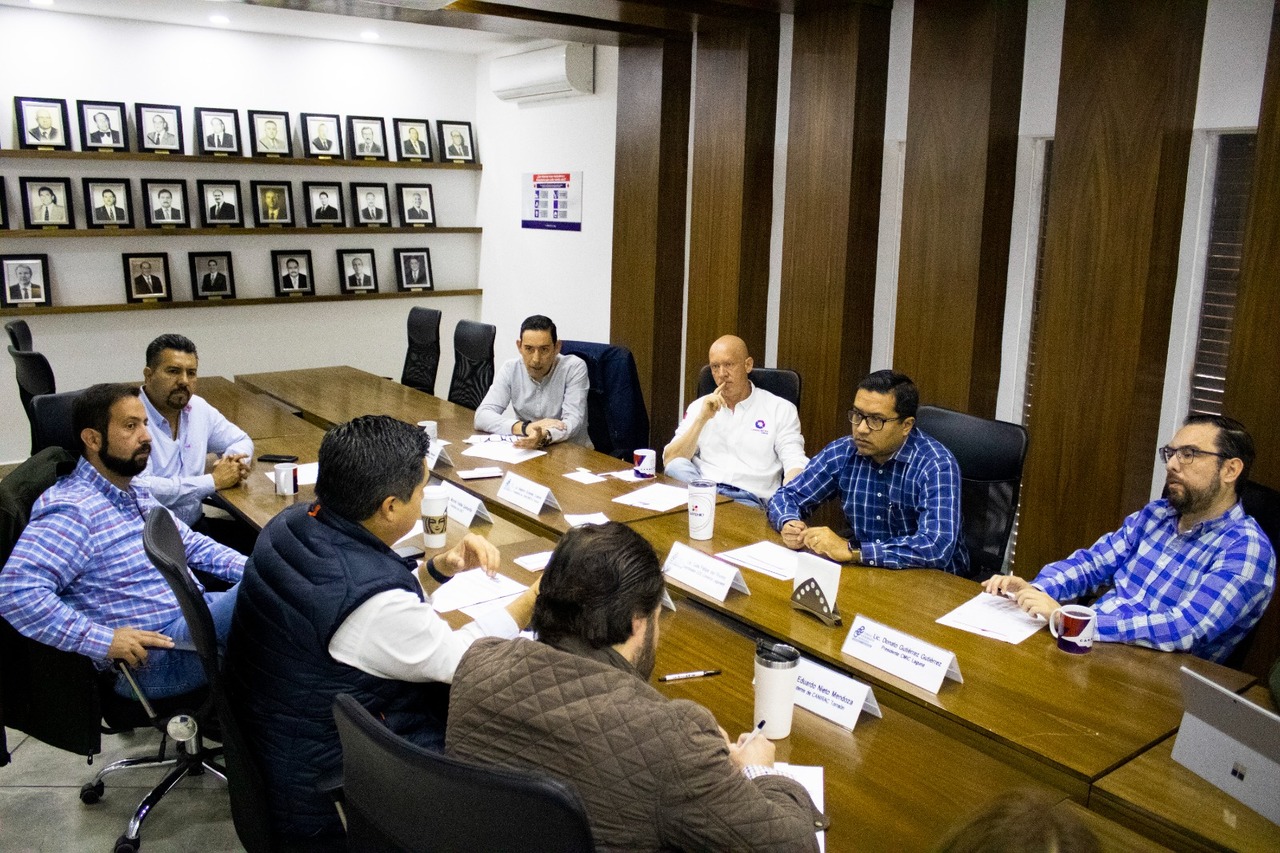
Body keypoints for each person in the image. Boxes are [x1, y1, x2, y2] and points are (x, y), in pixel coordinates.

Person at [228, 415, 541, 844]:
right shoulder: (372, 605)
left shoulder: (295, 522)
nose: (425, 496)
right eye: (422, 489)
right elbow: (465, 661)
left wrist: (437, 569)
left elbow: (366, 596)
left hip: (284, 742)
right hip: (328, 793)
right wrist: (535, 597)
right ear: (390, 506)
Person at [447, 522, 827, 852]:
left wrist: (698, 760)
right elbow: (794, 846)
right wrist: (759, 771)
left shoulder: (477, 664)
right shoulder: (673, 737)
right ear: (637, 621)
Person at [0, 384, 244, 701]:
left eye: (145, 424)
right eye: (130, 426)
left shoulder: (132, 488)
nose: (146, 436)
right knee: (278, 586)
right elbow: (15, 592)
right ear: (93, 439)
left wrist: (252, 567)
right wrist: (104, 641)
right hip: (158, 657)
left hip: (193, 619)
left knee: (275, 583)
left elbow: (192, 545)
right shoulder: (73, 510)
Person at [984, 415, 1276, 662]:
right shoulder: (1157, 515)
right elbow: (1093, 563)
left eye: (1188, 454)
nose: (1172, 465)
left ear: (1230, 470)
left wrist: (1069, 620)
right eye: (1171, 453)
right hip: (1090, 648)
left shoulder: (1246, 549)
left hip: (1150, 677)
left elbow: (1185, 628)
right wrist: (1034, 591)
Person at [767, 369, 969, 573]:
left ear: (906, 426)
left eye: (876, 420)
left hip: (929, 580)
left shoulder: (935, 464)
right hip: (867, 571)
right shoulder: (844, 451)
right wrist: (789, 522)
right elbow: (787, 496)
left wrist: (854, 551)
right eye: (857, 415)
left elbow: (936, 546)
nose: (861, 429)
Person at [664, 335, 808, 506]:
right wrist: (701, 419)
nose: (722, 374)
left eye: (729, 365)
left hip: (748, 499)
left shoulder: (780, 409)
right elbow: (670, 459)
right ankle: (711, 504)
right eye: (715, 367)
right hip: (705, 488)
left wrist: (787, 502)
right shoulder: (700, 407)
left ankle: (712, 506)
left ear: (748, 365)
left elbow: (795, 461)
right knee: (676, 466)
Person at [133, 333, 253, 536]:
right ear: (148, 375)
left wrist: (232, 464)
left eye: (191, 373)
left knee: (268, 542)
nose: (184, 381)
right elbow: (143, 488)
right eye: (173, 371)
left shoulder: (197, 407)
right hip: (148, 537)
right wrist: (214, 481)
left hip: (195, 528)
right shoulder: (129, 417)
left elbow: (240, 439)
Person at [474, 314, 591, 449]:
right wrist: (526, 428)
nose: (536, 359)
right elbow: (481, 416)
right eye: (529, 349)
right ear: (519, 346)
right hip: (528, 449)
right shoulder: (511, 368)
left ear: (557, 347)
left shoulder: (574, 368)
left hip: (571, 451)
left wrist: (543, 435)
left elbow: (572, 422)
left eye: (544, 349)